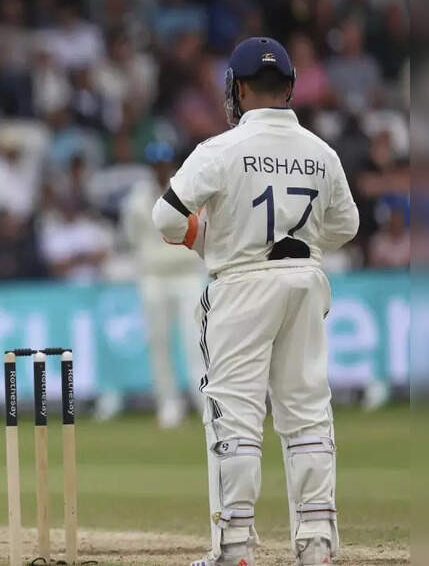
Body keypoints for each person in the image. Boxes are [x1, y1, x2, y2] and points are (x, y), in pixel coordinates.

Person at [152, 37, 359, 566]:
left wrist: (206, 239)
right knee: (307, 411)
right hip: (305, 282)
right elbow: (347, 226)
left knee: (235, 416)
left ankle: (235, 546)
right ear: (289, 88)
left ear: (239, 89)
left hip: (241, 284)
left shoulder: (220, 150)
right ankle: (316, 543)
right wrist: (299, 248)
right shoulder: (321, 152)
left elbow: (166, 217)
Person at [121, 141, 207, 428]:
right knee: (159, 342)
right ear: (150, 167)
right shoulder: (137, 198)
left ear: (171, 165)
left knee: (195, 341)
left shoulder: (187, 191)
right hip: (154, 277)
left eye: (164, 164)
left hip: (187, 274)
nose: (160, 169)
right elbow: (132, 237)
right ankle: (168, 403)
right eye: (155, 165)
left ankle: (203, 399)